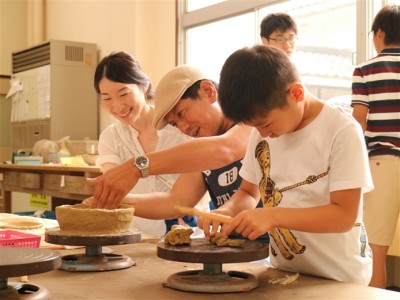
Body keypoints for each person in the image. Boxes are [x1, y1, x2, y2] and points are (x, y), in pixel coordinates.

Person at [196, 45, 373, 285]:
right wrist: (226, 211)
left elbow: (344, 216)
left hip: (339, 278)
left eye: (266, 124)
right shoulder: (261, 134)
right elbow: (248, 192)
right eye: (255, 126)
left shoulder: (341, 131)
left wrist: (273, 215)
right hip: (284, 274)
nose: (263, 134)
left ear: (296, 94)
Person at [85, 64, 269, 243]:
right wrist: (113, 202)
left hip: (275, 247)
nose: (183, 127)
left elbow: (224, 149)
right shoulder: (201, 148)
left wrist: (137, 166)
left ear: (208, 91)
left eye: (181, 113)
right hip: (244, 250)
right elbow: (176, 200)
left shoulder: (250, 123)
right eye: (174, 124)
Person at [92, 51, 197, 236]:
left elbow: (185, 196)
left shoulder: (180, 127)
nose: (117, 106)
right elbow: (116, 189)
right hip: (134, 236)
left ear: (144, 86)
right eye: (107, 98)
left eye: (124, 93)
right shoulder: (111, 137)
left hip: (187, 234)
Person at [351, 5, 400, 289]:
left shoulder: (365, 70)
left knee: (376, 252)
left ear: (379, 33)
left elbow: (359, 122)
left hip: (383, 162)